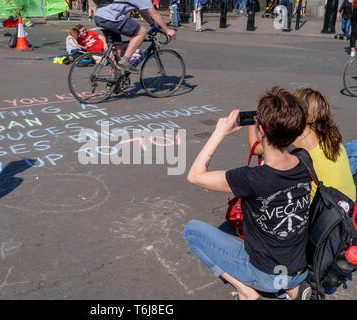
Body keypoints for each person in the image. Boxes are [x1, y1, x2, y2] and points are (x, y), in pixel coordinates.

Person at [184, 87, 312, 300]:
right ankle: (292, 290)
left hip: (266, 274)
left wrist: (219, 133)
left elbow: (195, 176)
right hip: (298, 269)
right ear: (296, 131)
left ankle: (247, 292)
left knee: (192, 231)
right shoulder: (304, 160)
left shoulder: (252, 178)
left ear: (261, 130)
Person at [248, 88, 356, 202]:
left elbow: (256, 148)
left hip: (325, 208)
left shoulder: (301, 134)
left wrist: (253, 119)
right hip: (348, 202)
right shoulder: (330, 131)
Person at [94, 0, 177, 74]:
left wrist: (152, 24)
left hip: (100, 16)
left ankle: (113, 79)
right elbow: (154, 13)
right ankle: (125, 61)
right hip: (112, 17)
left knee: (118, 48)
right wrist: (167, 30)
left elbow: (143, 12)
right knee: (142, 32)